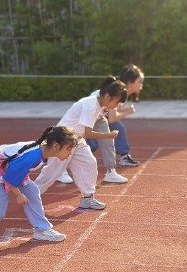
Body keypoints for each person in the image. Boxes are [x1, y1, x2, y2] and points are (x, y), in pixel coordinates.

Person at [0, 126, 78, 243]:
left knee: (32, 192)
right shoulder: (33, 155)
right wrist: (18, 195)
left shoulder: (40, 152)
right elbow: (9, 177)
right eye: (68, 149)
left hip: (9, 170)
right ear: (56, 146)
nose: (70, 153)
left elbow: (15, 171)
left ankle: (42, 230)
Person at [35, 78, 127, 210]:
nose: (116, 106)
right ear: (108, 96)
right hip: (62, 141)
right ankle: (31, 196)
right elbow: (88, 133)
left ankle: (87, 198)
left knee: (89, 163)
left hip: (76, 140)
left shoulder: (99, 105)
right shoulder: (90, 105)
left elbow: (84, 133)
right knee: (51, 173)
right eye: (117, 102)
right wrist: (109, 135)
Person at [89, 64, 144, 167]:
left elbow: (112, 110)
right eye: (139, 82)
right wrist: (128, 112)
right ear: (130, 83)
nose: (141, 85)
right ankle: (62, 158)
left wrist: (125, 108)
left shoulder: (121, 89)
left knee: (119, 128)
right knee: (91, 143)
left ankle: (124, 157)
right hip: (90, 117)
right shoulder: (118, 91)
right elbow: (112, 119)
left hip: (100, 117)